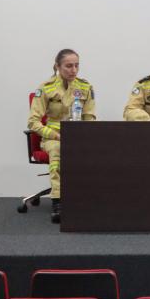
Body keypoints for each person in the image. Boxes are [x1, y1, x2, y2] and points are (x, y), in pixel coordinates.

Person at [27, 49, 96, 223]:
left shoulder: (85, 87)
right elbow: (33, 122)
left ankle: (94, 199)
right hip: (52, 139)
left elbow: (90, 118)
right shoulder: (45, 88)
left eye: (76, 65)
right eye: (68, 66)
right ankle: (58, 202)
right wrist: (56, 136)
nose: (73, 70)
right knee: (58, 150)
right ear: (57, 66)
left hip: (78, 138)